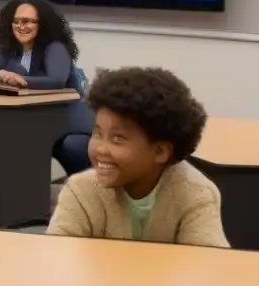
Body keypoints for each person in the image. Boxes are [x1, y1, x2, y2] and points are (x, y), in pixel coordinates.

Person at [47, 67, 227, 247]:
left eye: (118, 139)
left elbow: (209, 265)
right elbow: (56, 259)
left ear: (160, 152)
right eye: (97, 133)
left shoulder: (196, 194)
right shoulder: (80, 191)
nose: (100, 148)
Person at [0, 0, 93, 175]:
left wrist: (22, 80)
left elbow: (56, 81)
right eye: (16, 21)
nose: (21, 26)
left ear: (42, 24)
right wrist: (3, 75)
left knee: (70, 147)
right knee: (8, 137)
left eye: (27, 21)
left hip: (68, 121)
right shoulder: (7, 46)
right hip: (33, 119)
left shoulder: (56, 46)